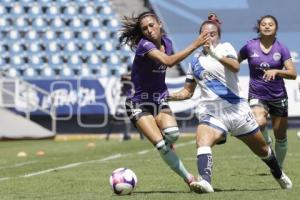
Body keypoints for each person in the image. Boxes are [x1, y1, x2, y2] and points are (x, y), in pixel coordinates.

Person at [168, 13, 292, 193]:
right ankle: (205, 182)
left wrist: (214, 54)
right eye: (204, 34)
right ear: (198, 36)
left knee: (263, 151)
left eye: (212, 34)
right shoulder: (194, 61)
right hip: (212, 112)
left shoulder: (225, 48)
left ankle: (278, 172)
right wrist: (168, 97)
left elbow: (235, 66)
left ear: (218, 36)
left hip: (237, 111)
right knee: (202, 140)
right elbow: (187, 91)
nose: (208, 37)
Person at [118, 11, 210, 189]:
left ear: (159, 24)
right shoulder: (144, 45)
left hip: (158, 100)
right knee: (161, 144)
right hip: (137, 102)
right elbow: (168, 62)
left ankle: (166, 149)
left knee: (173, 135)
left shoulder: (167, 42)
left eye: (151, 25)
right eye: (144, 28)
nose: (149, 30)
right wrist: (195, 44)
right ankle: (189, 178)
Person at [238, 15, 297, 168]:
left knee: (281, 137)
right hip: (257, 94)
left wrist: (276, 71)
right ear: (259, 28)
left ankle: (279, 168)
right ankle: (266, 140)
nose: (267, 26)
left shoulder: (281, 48)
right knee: (259, 122)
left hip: (278, 96)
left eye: (271, 24)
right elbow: (234, 63)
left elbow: (292, 73)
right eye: (264, 24)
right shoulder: (249, 46)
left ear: (276, 28)